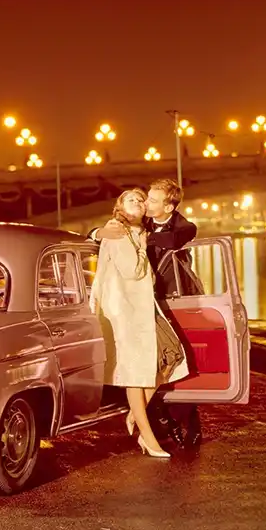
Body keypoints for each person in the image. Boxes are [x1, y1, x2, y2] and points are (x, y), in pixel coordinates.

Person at [88, 178, 203, 448]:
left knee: (171, 357)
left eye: (151, 200)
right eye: (144, 199)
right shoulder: (135, 223)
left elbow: (173, 239)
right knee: (141, 367)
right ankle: (149, 427)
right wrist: (100, 232)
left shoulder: (183, 226)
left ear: (170, 206)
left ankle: (152, 419)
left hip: (171, 299)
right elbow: (103, 232)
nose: (146, 203)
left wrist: (138, 234)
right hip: (137, 306)